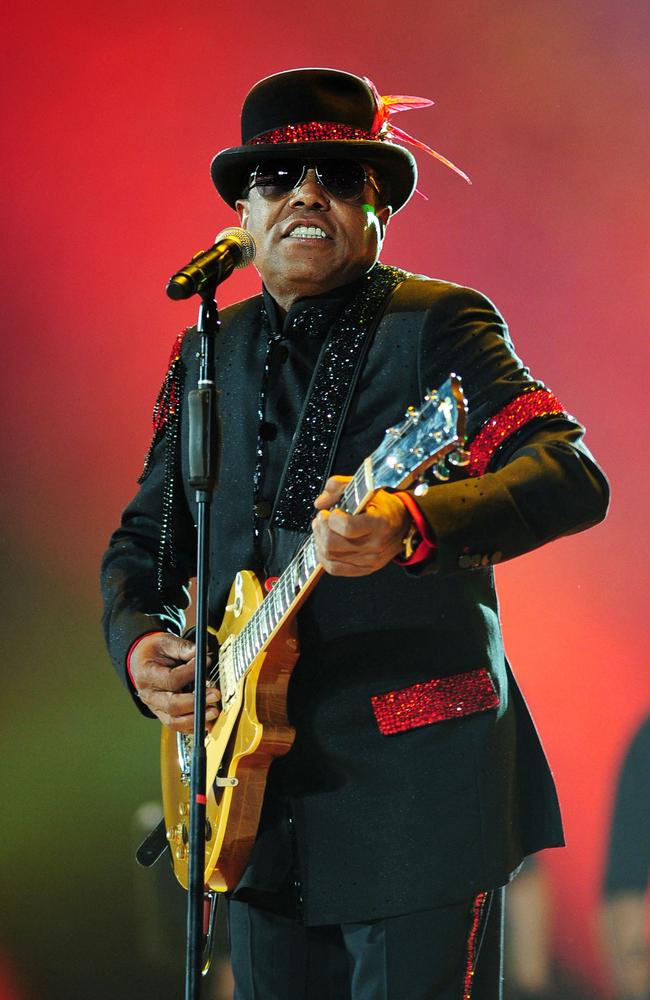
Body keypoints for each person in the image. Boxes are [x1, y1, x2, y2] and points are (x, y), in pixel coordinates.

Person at [101, 68, 609, 1000]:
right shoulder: (206, 353)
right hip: (252, 805)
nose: (305, 193)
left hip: (416, 788)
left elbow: (570, 476)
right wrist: (140, 651)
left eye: (337, 175)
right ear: (242, 219)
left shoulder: (437, 324)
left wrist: (414, 523)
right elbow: (143, 546)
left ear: (377, 208)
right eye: (278, 177)